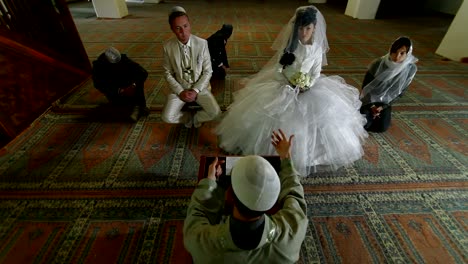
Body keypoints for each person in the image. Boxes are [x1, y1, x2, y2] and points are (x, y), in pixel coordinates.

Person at [215, 6, 368, 176]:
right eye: (301, 28)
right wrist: (291, 81)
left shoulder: (317, 48)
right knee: (273, 116)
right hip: (285, 85)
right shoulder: (290, 45)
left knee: (319, 118)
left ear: (314, 28)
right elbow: (278, 70)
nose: (303, 33)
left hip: (308, 87)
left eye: (308, 28)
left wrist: (307, 83)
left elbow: (316, 72)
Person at [184, 129, 307, 263]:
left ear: (229, 197)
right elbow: (294, 196)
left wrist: (209, 183)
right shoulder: (295, 230)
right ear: (272, 204)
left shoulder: (200, 242)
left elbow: (197, 213)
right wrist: (286, 159)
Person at [162, 6, 221, 128]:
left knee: (216, 113)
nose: (183, 32)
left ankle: (197, 118)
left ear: (190, 24)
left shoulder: (202, 43)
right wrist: (180, 91)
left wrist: (195, 90)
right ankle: (187, 117)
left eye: (185, 26)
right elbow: (168, 73)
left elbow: (208, 71)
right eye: (178, 28)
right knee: (167, 117)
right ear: (172, 29)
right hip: (180, 87)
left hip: (200, 86)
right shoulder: (167, 46)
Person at [360, 36, 418, 132]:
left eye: (402, 53)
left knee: (381, 128)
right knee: (364, 124)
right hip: (369, 100)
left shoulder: (410, 69)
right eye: (394, 52)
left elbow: (400, 92)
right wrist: (372, 106)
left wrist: (382, 107)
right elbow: (366, 87)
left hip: (385, 102)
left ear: (408, 54)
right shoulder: (378, 64)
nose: (397, 56)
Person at [92, 46, 149, 121]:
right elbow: (99, 85)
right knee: (121, 108)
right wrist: (120, 90)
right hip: (115, 91)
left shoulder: (123, 59)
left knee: (138, 80)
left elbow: (143, 72)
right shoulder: (99, 67)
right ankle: (132, 108)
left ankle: (138, 107)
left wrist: (133, 85)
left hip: (128, 86)